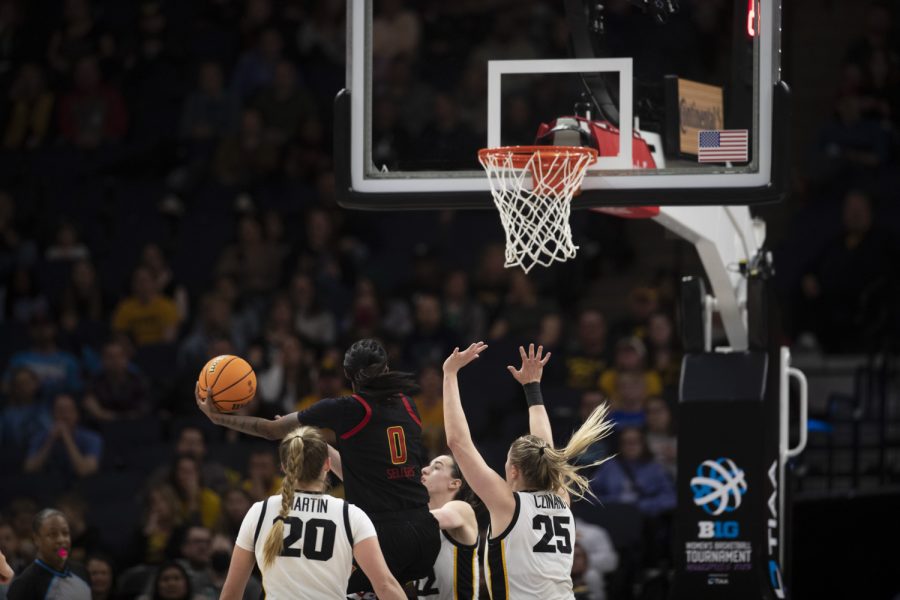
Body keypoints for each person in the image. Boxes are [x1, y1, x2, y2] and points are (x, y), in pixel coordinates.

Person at [196, 338, 440, 592]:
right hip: (425, 532)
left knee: (320, 587)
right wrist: (311, 435)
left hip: (384, 535)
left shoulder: (347, 408)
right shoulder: (408, 404)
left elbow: (271, 430)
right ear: (386, 368)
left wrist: (218, 418)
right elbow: (361, 473)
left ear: (347, 375)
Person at [442, 343, 613, 600]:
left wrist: (449, 374)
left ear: (513, 470)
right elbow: (545, 447)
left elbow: (458, 443)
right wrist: (532, 389)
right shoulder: (561, 497)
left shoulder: (508, 504)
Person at [219, 426, 407, 600]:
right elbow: (385, 585)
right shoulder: (350, 515)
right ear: (327, 465)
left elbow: (231, 593)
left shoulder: (259, 512)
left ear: (284, 467)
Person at [6, 509, 91, 599]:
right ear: (37, 539)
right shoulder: (25, 584)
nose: (61, 540)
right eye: (53, 534)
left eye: (65, 533)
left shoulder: (82, 571)